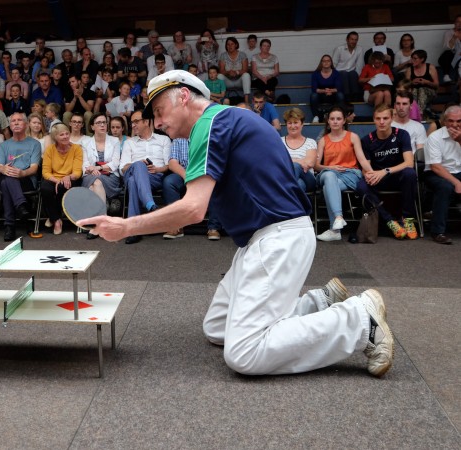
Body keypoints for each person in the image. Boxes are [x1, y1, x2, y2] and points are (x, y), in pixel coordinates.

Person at [80, 70, 394, 378]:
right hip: (263, 239)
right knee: (217, 328)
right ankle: (318, 302)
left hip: (279, 239)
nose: (158, 122)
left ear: (185, 97)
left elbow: (193, 210)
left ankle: (358, 321)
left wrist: (125, 227)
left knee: (244, 352)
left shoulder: (211, 123)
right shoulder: (224, 119)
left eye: (160, 111)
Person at [355, 104, 418, 240]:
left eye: (385, 118)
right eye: (378, 118)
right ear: (374, 120)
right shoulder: (367, 140)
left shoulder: (402, 134)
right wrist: (370, 175)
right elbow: (367, 167)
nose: (382, 122)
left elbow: (409, 163)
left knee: (410, 173)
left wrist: (385, 171)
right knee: (361, 186)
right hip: (378, 179)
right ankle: (390, 221)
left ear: (392, 118)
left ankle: (408, 219)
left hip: (396, 176)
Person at [315, 106, 368, 242]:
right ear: (328, 121)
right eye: (332, 119)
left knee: (328, 186)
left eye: (339, 119)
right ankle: (339, 217)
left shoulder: (353, 137)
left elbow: (361, 159)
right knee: (328, 175)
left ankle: (335, 230)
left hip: (349, 173)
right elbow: (316, 166)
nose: (335, 121)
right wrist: (330, 167)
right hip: (329, 173)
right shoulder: (323, 140)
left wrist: (371, 172)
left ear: (344, 120)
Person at [119, 109, 171, 244]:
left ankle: (133, 230)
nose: (133, 125)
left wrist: (157, 168)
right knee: (138, 167)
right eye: (132, 123)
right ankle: (149, 204)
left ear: (146, 122)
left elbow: (168, 165)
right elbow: (123, 168)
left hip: (155, 176)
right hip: (132, 171)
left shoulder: (163, 139)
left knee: (132, 182)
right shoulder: (129, 142)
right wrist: (137, 165)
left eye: (136, 121)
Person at [0, 112, 41, 241]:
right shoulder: (4, 145)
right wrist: (3, 168)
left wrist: (22, 173)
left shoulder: (34, 144)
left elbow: (34, 168)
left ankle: (9, 226)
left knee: (6, 182)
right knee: (7, 179)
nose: (16, 123)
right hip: (8, 176)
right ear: (9, 125)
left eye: (19, 120)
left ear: (26, 124)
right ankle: (21, 206)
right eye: (13, 121)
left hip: (26, 179)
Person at [423, 105, 461, 244]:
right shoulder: (435, 137)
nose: (455, 125)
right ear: (444, 121)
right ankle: (438, 232)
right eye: (451, 121)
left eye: (459, 121)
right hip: (437, 173)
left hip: (459, 171)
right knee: (445, 187)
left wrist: (460, 141)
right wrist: (456, 182)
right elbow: (435, 166)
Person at [81, 112, 122, 237]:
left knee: (96, 184)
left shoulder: (114, 141)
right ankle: (102, 222)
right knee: (96, 182)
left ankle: (95, 222)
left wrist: (98, 167)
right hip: (90, 175)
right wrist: (91, 169)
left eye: (104, 122)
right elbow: (85, 163)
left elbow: (115, 163)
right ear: (92, 126)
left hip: (110, 177)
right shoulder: (85, 142)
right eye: (99, 123)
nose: (102, 125)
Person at [41, 123, 83, 235]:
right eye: (61, 135)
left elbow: (77, 172)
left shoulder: (76, 149)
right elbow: (45, 172)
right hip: (54, 178)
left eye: (67, 133)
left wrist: (68, 177)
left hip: (72, 178)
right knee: (45, 188)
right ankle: (57, 219)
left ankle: (53, 217)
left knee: (63, 186)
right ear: (55, 137)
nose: (65, 136)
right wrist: (56, 180)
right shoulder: (50, 150)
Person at [282, 108, 317, 192]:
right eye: (289, 123)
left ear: (302, 124)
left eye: (295, 122)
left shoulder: (310, 142)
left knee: (296, 166)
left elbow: (309, 163)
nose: (292, 126)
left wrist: (289, 161)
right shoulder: (279, 141)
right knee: (299, 184)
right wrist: (301, 161)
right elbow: (276, 161)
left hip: (308, 179)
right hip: (285, 177)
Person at [392, 91, 427, 163]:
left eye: (404, 104)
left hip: (412, 164)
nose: (401, 107)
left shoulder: (418, 127)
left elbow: (420, 153)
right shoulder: (388, 125)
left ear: (411, 106)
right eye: (398, 104)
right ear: (395, 106)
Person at [332, 31, 365, 102]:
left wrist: (359, 78)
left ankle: (355, 96)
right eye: (352, 39)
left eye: (356, 40)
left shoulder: (360, 49)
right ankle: (347, 97)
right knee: (344, 73)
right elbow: (333, 64)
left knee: (353, 73)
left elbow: (360, 65)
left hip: (352, 73)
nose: (354, 41)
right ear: (347, 40)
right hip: (340, 73)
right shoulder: (339, 49)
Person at [310, 55, 344, 122]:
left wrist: (330, 91)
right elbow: (314, 89)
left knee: (340, 95)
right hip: (320, 96)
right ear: (321, 63)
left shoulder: (336, 73)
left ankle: (340, 115)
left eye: (328, 61)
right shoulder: (315, 74)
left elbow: (339, 88)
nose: (326, 62)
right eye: (324, 61)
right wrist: (325, 91)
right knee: (313, 95)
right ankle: (316, 117)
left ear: (331, 62)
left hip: (333, 95)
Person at [405, 50, 440, 115]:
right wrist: (412, 82)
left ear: (422, 59)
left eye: (415, 58)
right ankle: (415, 113)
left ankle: (419, 114)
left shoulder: (430, 67)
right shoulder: (409, 70)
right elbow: (405, 85)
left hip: (429, 92)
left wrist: (426, 82)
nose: (412, 60)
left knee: (421, 90)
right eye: (412, 58)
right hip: (414, 91)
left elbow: (436, 85)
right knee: (414, 92)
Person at [218, 37, 251, 104]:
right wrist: (228, 72)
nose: (230, 46)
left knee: (246, 75)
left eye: (232, 44)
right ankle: (221, 100)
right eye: (228, 44)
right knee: (219, 76)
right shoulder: (223, 55)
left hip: (239, 81)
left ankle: (247, 101)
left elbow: (245, 70)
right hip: (228, 82)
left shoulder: (242, 55)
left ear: (236, 45)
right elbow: (221, 71)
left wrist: (237, 72)